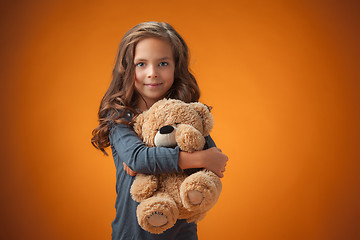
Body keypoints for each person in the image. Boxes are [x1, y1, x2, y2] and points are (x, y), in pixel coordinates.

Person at [91, 21, 228, 240]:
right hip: (133, 234)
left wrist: (156, 162)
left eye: (163, 63)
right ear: (127, 68)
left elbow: (215, 159)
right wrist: (198, 158)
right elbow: (137, 158)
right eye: (141, 64)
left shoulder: (183, 112)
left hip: (181, 234)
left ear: (176, 67)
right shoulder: (121, 116)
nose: (152, 73)